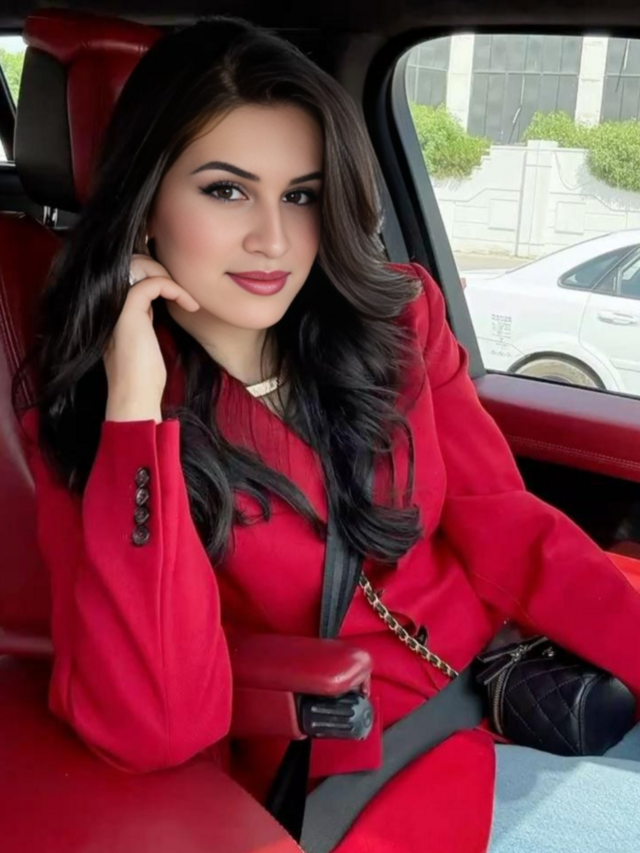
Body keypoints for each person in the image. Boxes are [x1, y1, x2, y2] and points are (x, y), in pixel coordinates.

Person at [15, 16, 640, 853]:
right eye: (226, 190)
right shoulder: (98, 421)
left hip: (505, 694)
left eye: (301, 194)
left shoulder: (397, 322)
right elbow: (152, 723)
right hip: (353, 770)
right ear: (146, 204)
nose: (274, 239)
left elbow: (507, 525)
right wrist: (135, 405)